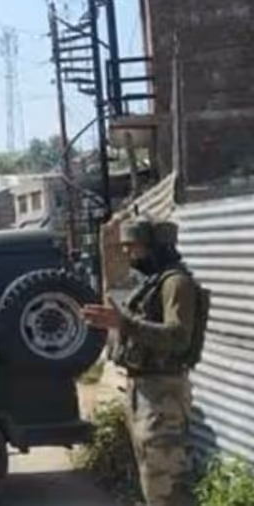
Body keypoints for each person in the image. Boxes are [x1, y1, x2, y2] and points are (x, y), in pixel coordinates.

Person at [83, 216, 206, 506]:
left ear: (155, 246)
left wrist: (123, 324)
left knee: (166, 482)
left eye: (134, 246)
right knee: (152, 476)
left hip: (163, 392)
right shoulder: (152, 282)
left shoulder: (176, 283)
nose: (128, 253)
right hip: (144, 389)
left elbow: (179, 337)